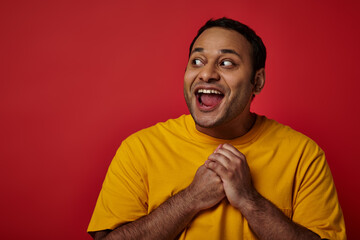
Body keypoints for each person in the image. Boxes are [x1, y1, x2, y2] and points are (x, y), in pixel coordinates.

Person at [87, 17, 346, 240]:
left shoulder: (303, 155)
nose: (207, 74)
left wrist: (249, 200)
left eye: (226, 63)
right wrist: (190, 199)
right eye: (197, 61)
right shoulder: (140, 149)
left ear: (257, 81)